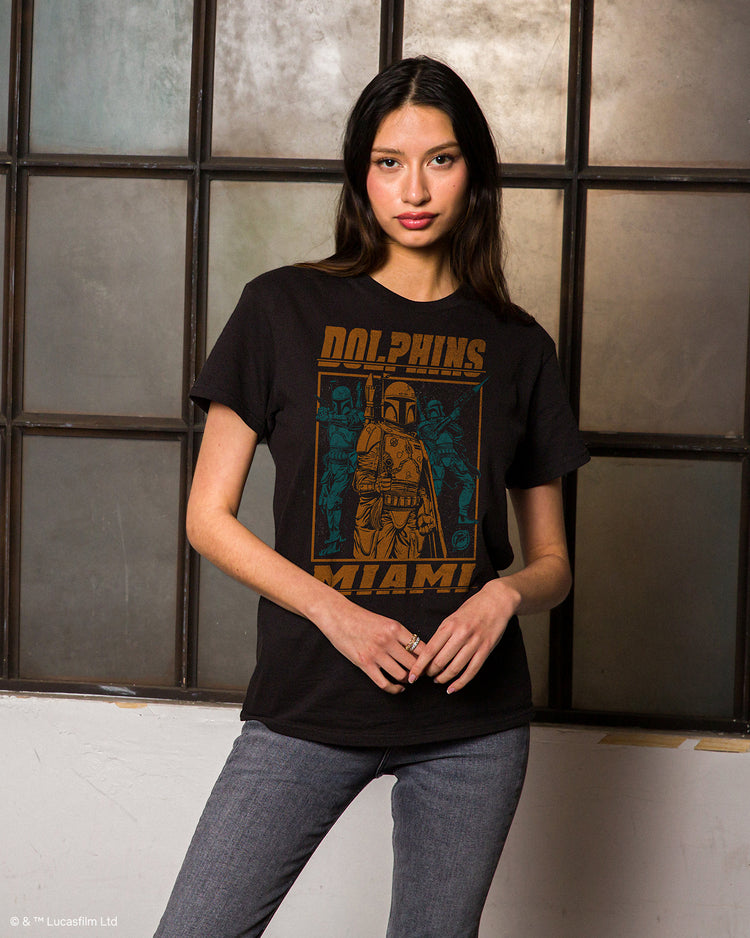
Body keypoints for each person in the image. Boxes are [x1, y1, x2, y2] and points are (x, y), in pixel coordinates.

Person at [154, 56, 589, 938]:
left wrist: (504, 595)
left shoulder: (519, 347)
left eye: (440, 160)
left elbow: (553, 564)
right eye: (389, 162)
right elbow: (207, 518)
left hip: (473, 726)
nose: (413, 190)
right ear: (361, 174)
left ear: (475, 173)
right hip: (310, 701)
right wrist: (336, 613)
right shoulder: (281, 308)